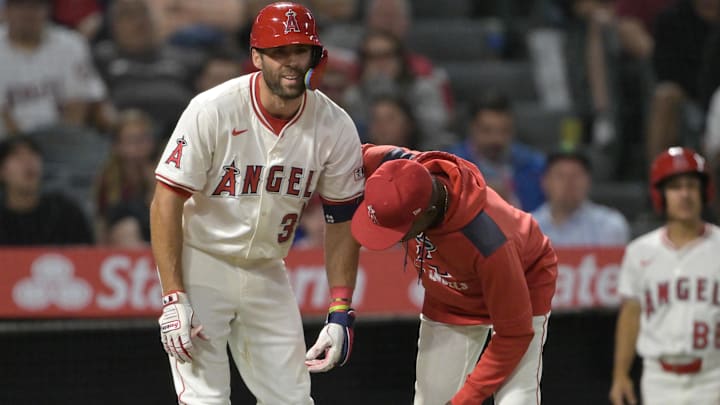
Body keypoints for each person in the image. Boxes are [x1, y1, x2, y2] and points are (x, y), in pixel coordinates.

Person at [150, 3, 364, 404]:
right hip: (203, 263)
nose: (291, 62)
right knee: (205, 399)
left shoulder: (334, 125)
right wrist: (174, 296)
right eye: (279, 52)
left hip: (268, 270)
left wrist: (340, 308)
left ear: (316, 56)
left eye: (300, 51)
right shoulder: (212, 108)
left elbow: (341, 218)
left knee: (294, 400)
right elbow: (167, 199)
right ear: (256, 57)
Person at [351, 143, 558, 404]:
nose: (391, 237)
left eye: (397, 229)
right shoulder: (399, 166)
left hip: (523, 279)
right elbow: (344, 150)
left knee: (516, 399)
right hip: (450, 291)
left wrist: (465, 400)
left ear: (427, 213)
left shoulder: (488, 241)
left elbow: (514, 334)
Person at [609, 147, 720, 405]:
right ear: (660, 194)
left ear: (705, 192)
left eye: (691, 186)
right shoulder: (639, 251)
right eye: (675, 187)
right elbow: (630, 316)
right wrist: (620, 375)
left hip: (713, 374)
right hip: (659, 378)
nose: (684, 194)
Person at [0, 0, 110, 137]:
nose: (27, 13)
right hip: (7, 145)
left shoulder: (71, 44)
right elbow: (3, 113)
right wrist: (22, 148)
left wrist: (64, 140)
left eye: (35, 6)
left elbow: (79, 102)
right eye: (20, 6)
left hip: (62, 140)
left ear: (48, 10)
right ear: (6, 11)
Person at [448, 91, 546, 212]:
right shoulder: (451, 166)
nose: (496, 139)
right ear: (472, 128)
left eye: (504, 131)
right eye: (487, 131)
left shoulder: (534, 165)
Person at [0, 136, 94, 245]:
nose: (28, 161)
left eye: (33, 154)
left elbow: (86, 252)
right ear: (2, 171)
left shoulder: (65, 213)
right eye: (17, 156)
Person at [533, 149, 630, 246]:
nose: (569, 182)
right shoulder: (527, 228)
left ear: (589, 181)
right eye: (560, 176)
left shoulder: (610, 225)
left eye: (576, 175)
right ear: (544, 182)